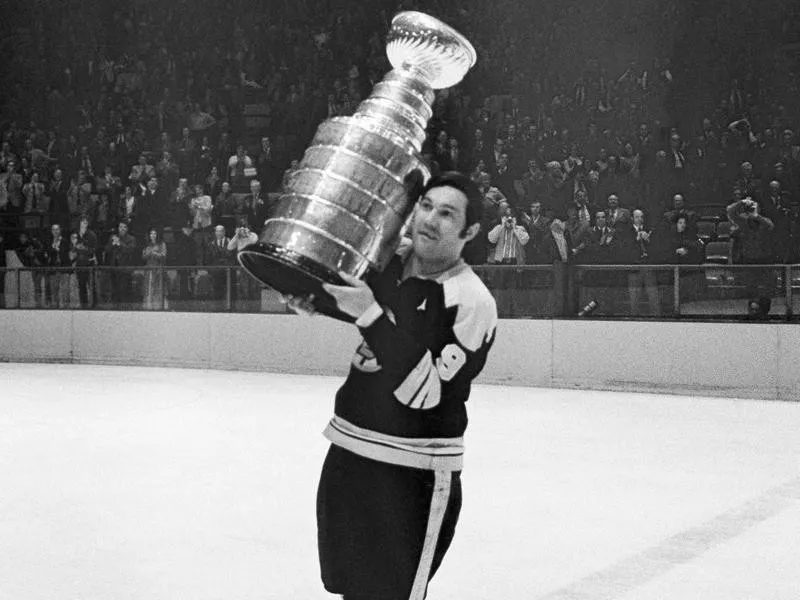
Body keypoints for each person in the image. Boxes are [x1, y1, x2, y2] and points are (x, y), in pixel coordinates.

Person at [287, 171, 497, 600]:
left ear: (469, 231)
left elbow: (425, 393)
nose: (430, 219)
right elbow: (356, 303)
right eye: (425, 206)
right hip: (349, 451)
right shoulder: (391, 263)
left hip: (413, 471)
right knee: (349, 588)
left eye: (446, 213)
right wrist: (310, 297)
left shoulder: (471, 300)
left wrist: (368, 315)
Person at [142, 228, 167, 310]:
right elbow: (143, 257)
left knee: (158, 288)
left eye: (154, 233)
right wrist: (148, 253)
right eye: (151, 233)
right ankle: (148, 306)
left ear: (157, 235)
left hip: (158, 270)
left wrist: (154, 253)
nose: (152, 235)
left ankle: (158, 306)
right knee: (149, 288)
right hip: (149, 270)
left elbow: (163, 256)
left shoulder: (162, 244)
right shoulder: (147, 245)